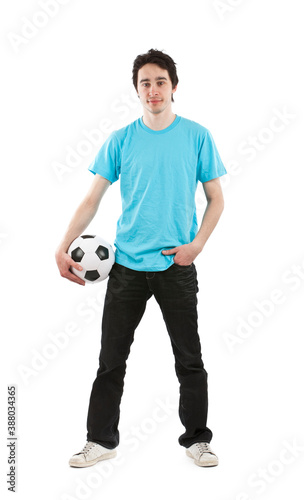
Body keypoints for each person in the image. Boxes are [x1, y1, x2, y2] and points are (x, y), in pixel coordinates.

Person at [55, 48, 227, 468]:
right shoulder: (121, 140)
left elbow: (216, 199)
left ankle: (197, 440)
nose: (153, 90)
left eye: (160, 81)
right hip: (127, 266)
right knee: (110, 359)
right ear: (136, 89)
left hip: (176, 265)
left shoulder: (197, 136)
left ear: (173, 86)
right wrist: (62, 245)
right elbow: (92, 199)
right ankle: (101, 440)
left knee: (190, 359)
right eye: (145, 83)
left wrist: (197, 245)